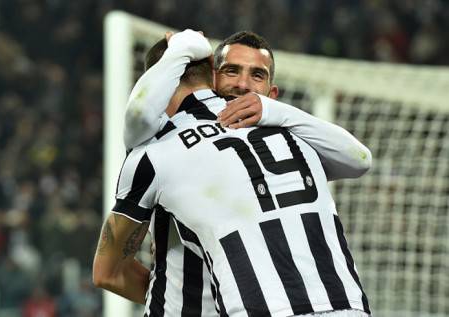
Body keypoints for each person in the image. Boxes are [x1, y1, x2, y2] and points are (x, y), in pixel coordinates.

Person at [93, 32, 372, 317]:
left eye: (256, 76)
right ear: (212, 77)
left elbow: (108, 273)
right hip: (348, 306)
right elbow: (360, 160)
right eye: (231, 70)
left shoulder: (155, 152)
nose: (242, 86)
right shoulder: (302, 141)